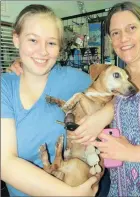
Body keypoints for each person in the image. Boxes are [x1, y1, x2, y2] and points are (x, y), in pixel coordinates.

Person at [6, 2, 140, 197]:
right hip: (118, 188)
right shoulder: (115, 81)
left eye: (131, 28)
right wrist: (22, 64)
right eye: (115, 33)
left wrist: (128, 149)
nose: (123, 38)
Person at [1, 4, 110, 197]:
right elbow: (5, 162)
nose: (42, 51)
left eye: (51, 43)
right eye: (33, 40)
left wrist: (105, 114)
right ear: (16, 39)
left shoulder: (74, 79)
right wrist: (70, 194)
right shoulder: (5, 88)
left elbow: (123, 96)